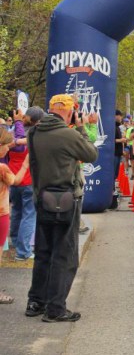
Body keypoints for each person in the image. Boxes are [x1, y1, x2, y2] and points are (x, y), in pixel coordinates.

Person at [25, 94, 98, 322]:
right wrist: (81, 127)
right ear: (70, 111)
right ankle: (56, 308)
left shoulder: (34, 132)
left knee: (44, 253)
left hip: (43, 197)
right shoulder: (69, 134)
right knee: (64, 255)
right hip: (67, 199)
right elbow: (91, 154)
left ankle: (36, 301)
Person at [9, 106, 45, 261]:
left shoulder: (12, 135)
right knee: (29, 215)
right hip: (29, 179)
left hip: (13, 178)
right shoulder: (36, 135)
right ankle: (23, 251)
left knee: (16, 211)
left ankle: (16, 242)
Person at [1, 127, 31, 304]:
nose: (8, 148)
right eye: (6, 145)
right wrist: (26, 165)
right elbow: (16, 181)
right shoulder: (2, 168)